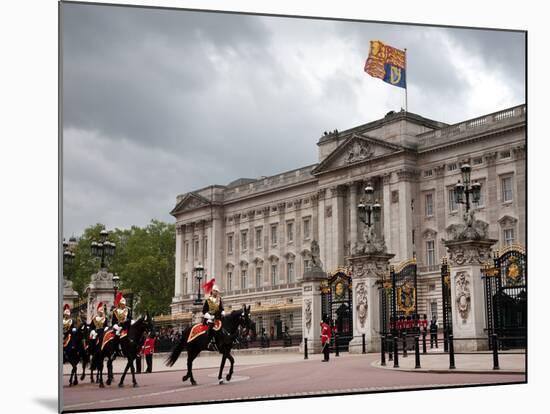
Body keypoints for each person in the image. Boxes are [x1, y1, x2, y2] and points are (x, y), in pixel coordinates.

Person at [202, 279, 225, 352]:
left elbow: (221, 308)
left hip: (218, 318)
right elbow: (204, 311)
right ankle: (209, 343)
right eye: (215, 291)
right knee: (210, 328)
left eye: (217, 291)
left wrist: (223, 312)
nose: (216, 292)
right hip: (210, 318)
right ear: (212, 291)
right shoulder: (208, 300)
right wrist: (209, 316)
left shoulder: (219, 299)